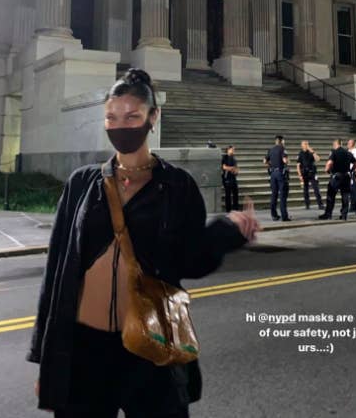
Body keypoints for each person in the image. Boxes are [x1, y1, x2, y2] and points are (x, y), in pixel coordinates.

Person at [27, 69, 259, 418]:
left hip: (151, 346)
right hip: (83, 351)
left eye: (132, 116)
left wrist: (227, 232)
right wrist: (45, 360)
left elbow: (191, 261)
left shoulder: (177, 186)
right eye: (112, 117)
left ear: (153, 117)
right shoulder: (81, 184)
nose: (121, 125)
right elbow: (56, 271)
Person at [319, 139, 356, 221]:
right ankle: (344, 215)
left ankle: (328, 214)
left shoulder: (334, 153)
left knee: (331, 196)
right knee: (345, 196)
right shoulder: (348, 153)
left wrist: (327, 170)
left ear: (335, 144)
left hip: (336, 177)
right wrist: (351, 170)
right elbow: (355, 163)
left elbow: (329, 163)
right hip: (346, 177)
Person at [264, 135, 291, 222]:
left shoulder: (270, 150)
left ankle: (274, 215)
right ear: (281, 141)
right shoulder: (282, 149)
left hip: (273, 174)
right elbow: (285, 160)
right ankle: (284, 216)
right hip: (280, 173)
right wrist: (287, 161)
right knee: (282, 195)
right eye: (283, 141)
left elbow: (264, 161)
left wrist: (271, 166)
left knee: (274, 194)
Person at [296, 141, 324, 210]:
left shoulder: (311, 152)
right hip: (304, 173)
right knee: (305, 190)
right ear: (302, 145)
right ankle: (307, 204)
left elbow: (318, 159)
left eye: (307, 144)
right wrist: (300, 175)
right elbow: (298, 165)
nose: (306, 145)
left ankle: (320, 204)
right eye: (305, 144)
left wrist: (312, 151)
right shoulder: (300, 153)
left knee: (316, 189)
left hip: (312, 173)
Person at [221, 145, 239, 212]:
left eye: (234, 150)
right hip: (227, 178)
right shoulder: (224, 157)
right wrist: (232, 168)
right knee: (228, 194)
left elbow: (236, 169)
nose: (234, 151)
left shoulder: (234, 159)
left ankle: (236, 208)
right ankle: (228, 210)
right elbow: (224, 167)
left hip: (233, 178)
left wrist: (236, 171)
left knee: (235, 193)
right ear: (228, 150)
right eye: (232, 149)